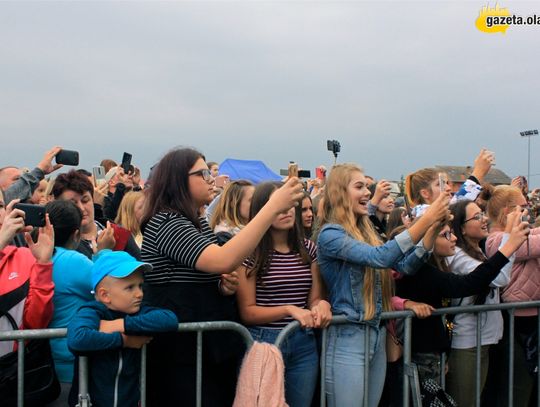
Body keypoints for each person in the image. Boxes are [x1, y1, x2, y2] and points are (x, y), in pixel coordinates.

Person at [140, 147, 303, 406]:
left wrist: (222, 286)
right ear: (178, 180)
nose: (210, 179)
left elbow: (210, 270)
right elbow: (223, 259)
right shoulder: (166, 222)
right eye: (202, 173)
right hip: (178, 354)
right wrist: (270, 208)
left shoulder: (197, 221)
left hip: (205, 348)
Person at [316, 163, 450, 407]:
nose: (368, 192)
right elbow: (381, 258)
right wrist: (427, 217)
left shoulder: (366, 233)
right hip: (348, 337)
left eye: (367, 186)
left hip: (376, 334)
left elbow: (403, 267)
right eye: (359, 187)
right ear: (339, 193)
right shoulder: (330, 235)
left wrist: (433, 228)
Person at [236, 182, 332, 407]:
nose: (287, 210)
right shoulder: (249, 251)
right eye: (278, 205)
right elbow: (247, 312)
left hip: (303, 341)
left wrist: (322, 305)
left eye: (290, 205)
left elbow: (314, 299)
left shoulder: (308, 249)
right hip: (265, 341)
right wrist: (289, 310)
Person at [67, 250, 178, 407]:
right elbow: (78, 339)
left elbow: (169, 320)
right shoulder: (91, 311)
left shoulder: (140, 311)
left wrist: (121, 325)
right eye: (130, 287)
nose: (139, 293)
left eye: (140, 286)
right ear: (105, 295)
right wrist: (124, 341)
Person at [484, 185, 540, 407]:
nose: (527, 210)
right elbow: (531, 243)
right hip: (515, 320)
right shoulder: (496, 240)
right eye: (523, 206)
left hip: (531, 317)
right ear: (508, 211)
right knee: (518, 384)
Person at [0, 193, 55, 357]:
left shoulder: (23, 256)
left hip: (14, 372)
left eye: (0, 206)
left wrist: (43, 263)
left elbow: (36, 323)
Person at [52, 170, 140, 260]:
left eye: (85, 200)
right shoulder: (58, 245)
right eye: (73, 204)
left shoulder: (118, 234)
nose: (81, 208)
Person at [209, 180, 254, 245]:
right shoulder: (224, 236)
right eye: (251, 200)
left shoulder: (252, 229)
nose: (256, 203)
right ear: (233, 203)